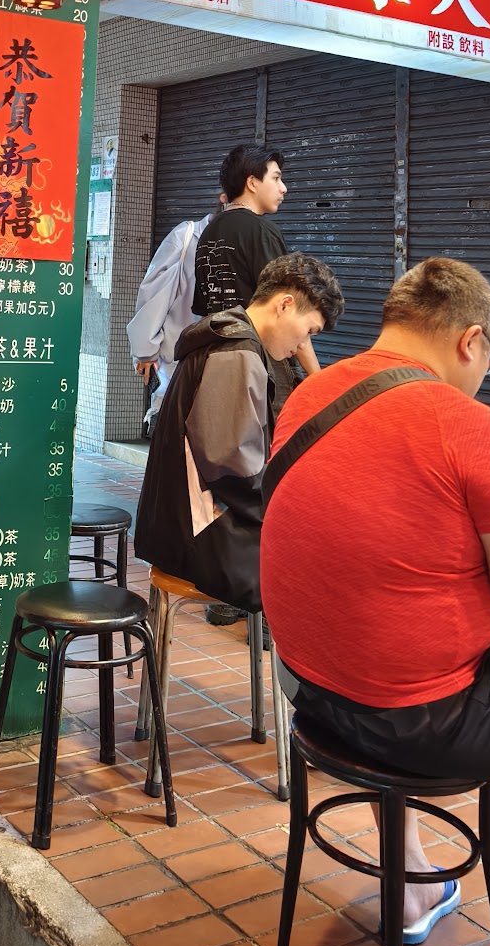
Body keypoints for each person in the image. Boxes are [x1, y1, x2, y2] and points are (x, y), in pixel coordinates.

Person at [261, 257, 490, 946]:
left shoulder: (312, 393)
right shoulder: (469, 423)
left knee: (393, 632)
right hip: (412, 715)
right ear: (470, 341)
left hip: (307, 685)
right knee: (433, 661)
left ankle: (412, 882)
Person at [134, 254, 344, 613]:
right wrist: (287, 506)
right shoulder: (236, 350)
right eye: (309, 331)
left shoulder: (224, 335)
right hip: (197, 538)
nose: (303, 344)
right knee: (319, 566)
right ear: (285, 304)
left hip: (173, 526)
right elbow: (232, 466)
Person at [193, 143, 321, 402]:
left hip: (216, 362)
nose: (283, 188)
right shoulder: (261, 231)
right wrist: (318, 379)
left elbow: (203, 308)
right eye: (276, 178)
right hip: (264, 364)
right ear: (252, 183)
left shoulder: (208, 232)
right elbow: (289, 309)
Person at [127, 202, 220, 434]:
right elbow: (155, 291)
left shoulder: (247, 239)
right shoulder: (187, 235)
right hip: (177, 359)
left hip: (219, 361)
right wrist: (145, 349)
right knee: (175, 431)